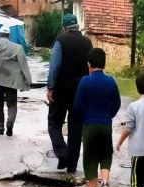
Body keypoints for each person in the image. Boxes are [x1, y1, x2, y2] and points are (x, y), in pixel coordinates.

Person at [74, 48, 121, 187]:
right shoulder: (111, 81)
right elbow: (117, 103)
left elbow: (77, 106)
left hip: (89, 125)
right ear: (104, 64)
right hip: (105, 124)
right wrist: (109, 115)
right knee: (106, 154)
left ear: (89, 64)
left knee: (90, 157)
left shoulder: (84, 82)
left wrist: (82, 118)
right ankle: (105, 183)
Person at [46, 14, 92, 172]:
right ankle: (72, 164)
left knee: (54, 123)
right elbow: (90, 67)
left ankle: (63, 154)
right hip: (81, 91)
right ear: (77, 26)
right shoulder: (88, 43)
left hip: (61, 90)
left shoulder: (60, 41)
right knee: (76, 127)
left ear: (64, 28)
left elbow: (54, 66)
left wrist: (50, 87)